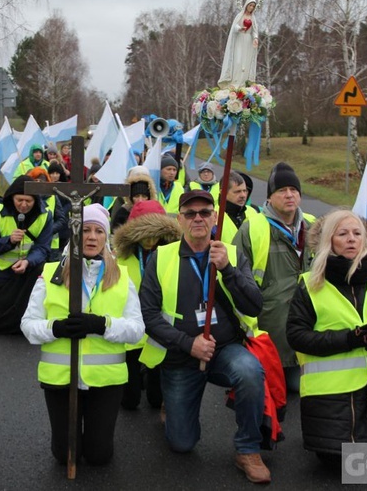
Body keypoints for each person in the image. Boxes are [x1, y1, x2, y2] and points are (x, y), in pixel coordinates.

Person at [139, 190, 271, 484]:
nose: (198, 218)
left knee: (250, 371)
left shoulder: (232, 254)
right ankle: (172, 409)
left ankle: (248, 449)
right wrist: (189, 344)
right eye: (190, 213)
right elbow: (147, 316)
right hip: (180, 355)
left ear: (214, 218)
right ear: (180, 220)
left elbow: (254, 305)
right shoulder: (160, 258)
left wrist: (228, 270)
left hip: (225, 348)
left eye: (204, 212)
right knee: (181, 444)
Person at [286, 209, 367, 466]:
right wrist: (349, 339)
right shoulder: (310, 285)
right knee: (333, 463)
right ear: (329, 241)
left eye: (357, 233)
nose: (351, 239)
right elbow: (297, 336)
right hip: (327, 397)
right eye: (342, 233)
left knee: (364, 463)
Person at [21, 204, 145, 465]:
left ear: (106, 236)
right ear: (75, 235)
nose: (91, 237)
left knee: (99, 455)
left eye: (98, 231)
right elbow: (28, 325)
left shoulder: (122, 277)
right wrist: (56, 329)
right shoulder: (50, 273)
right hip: (60, 378)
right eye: (85, 230)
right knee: (66, 455)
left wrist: (102, 325)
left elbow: (137, 330)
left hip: (106, 380)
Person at [233, 162, 315, 393]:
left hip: (309, 322)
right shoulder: (253, 228)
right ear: (269, 197)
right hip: (269, 327)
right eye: (282, 191)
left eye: (294, 190)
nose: (289, 195)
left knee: (303, 387)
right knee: (276, 392)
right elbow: (235, 281)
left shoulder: (313, 225)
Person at [113, 199, 181, 410]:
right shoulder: (120, 259)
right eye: (144, 234)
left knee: (155, 397)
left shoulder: (172, 256)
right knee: (129, 400)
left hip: (160, 328)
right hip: (131, 331)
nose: (150, 240)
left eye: (155, 234)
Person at [0, 176, 53, 334]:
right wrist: (9, 241)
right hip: (3, 271)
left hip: (29, 270)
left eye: (28, 201)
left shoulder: (45, 215)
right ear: (12, 198)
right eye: (20, 200)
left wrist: (28, 262)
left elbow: (43, 247)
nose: (24, 205)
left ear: (35, 200)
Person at [27, 166, 68, 262]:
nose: (38, 183)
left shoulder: (53, 197)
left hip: (51, 246)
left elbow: (61, 219)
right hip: (30, 246)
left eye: (41, 181)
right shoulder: (27, 199)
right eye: (35, 180)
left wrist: (48, 231)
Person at [218, 0, 259, 88]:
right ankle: (234, 82)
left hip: (248, 41)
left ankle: (243, 83)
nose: (251, 8)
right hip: (239, 40)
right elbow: (234, 27)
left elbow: (254, 31)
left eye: (253, 6)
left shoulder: (253, 18)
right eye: (250, 5)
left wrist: (255, 38)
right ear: (246, 5)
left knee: (246, 62)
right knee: (238, 61)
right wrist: (239, 28)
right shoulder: (240, 16)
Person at [110, 166, 158, 231]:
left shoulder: (156, 213)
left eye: (144, 196)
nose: (140, 200)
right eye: (136, 196)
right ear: (131, 197)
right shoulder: (123, 212)